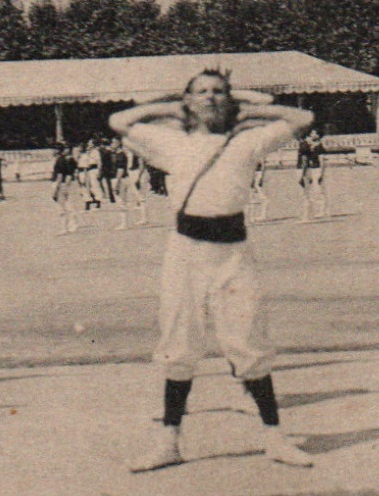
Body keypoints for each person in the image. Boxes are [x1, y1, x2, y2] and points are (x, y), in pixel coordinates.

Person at [110, 71, 316, 472]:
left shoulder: (247, 140)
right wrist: (174, 105)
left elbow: (301, 120)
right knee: (179, 342)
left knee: (248, 341)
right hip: (185, 252)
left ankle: (274, 437)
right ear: (188, 100)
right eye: (202, 92)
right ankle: (168, 441)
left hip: (234, 253)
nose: (211, 98)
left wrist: (246, 105)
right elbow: (120, 121)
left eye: (218, 92)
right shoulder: (170, 141)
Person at [296, 129, 328, 220]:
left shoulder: (319, 146)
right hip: (311, 169)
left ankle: (320, 211)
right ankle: (312, 211)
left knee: (317, 189)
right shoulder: (309, 146)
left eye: (313, 134)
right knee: (310, 190)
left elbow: (321, 160)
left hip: (316, 168)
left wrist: (321, 172)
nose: (311, 136)